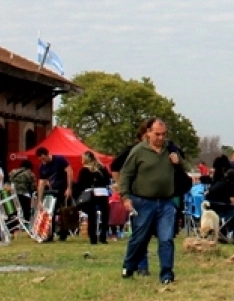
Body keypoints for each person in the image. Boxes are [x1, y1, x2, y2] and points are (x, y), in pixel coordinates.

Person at [119, 118, 180, 285]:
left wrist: (177, 162)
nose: (161, 138)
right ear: (148, 133)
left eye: (164, 134)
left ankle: (166, 274)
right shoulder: (139, 151)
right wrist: (125, 197)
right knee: (140, 238)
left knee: (166, 238)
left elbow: (182, 170)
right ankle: (129, 266)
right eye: (157, 134)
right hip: (143, 201)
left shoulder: (170, 150)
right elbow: (126, 174)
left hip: (166, 202)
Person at [35, 147, 73, 243]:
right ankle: (49, 235)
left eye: (43, 158)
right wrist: (39, 200)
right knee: (49, 212)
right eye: (40, 159)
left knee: (64, 212)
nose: (43, 161)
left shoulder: (59, 160)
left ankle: (63, 234)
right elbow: (42, 183)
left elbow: (69, 171)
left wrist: (69, 188)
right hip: (53, 191)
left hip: (63, 189)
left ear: (47, 154)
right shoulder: (42, 167)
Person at [75, 151, 113, 245]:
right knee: (105, 215)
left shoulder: (84, 170)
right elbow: (108, 180)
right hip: (103, 193)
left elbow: (80, 184)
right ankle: (103, 236)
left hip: (91, 193)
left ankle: (93, 238)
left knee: (92, 216)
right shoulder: (103, 168)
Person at [205, 168, 234, 242]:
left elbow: (208, 193)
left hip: (211, 210)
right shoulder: (229, 185)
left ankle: (223, 233)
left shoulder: (218, 183)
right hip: (222, 211)